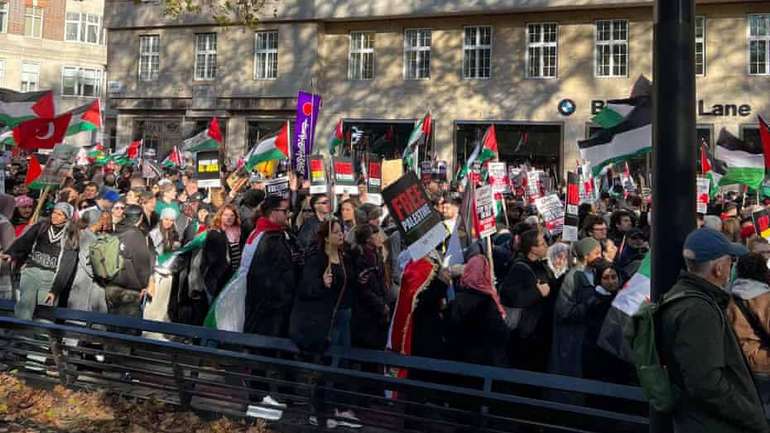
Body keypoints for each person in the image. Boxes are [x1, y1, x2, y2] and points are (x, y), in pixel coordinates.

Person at [658, 228, 768, 433]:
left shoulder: (683, 296)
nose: (731, 266)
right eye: (730, 261)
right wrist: (754, 418)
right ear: (718, 268)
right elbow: (707, 385)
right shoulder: (698, 310)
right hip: (711, 424)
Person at [3, 202, 80, 320]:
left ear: (67, 217)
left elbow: (67, 266)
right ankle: (21, 335)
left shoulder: (70, 236)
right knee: (25, 307)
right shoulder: (41, 227)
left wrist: (55, 290)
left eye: (60, 214)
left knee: (44, 314)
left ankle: (41, 336)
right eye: (54, 212)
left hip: (51, 277)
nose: (55, 216)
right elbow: (24, 242)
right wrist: (11, 254)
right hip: (32, 271)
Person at [500, 229, 554, 371]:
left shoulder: (541, 264)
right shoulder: (519, 267)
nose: (546, 246)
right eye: (542, 244)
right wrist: (537, 292)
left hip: (539, 329)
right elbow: (511, 297)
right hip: (527, 332)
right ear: (533, 249)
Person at [549, 237, 603, 378]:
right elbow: (564, 312)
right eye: (596, 253)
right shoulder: (573, 277)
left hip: (588, 335)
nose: (600, 257)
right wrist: (591, 302)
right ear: (586, 255)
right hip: (573, 337)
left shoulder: (597, 273)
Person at [244, 196, 297, 337]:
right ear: (273, 212)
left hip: (264, 306)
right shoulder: (270, 239)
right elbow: (269, 277)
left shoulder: (261, 232)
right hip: (270, 309)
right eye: (285, 211)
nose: (289, 214)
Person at [447, 253, 509, 367]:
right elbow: (499, 333)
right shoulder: (488, 300)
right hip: (486, 361)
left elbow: (453, 330)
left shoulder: (459, 299)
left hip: (463, 361)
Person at [106, 204, 154, 319]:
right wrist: (144, 284)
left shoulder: (115, 231)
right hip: (129, 288)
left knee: (112, 322)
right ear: (141, 217)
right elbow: (141, 264)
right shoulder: (137, 235)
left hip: (111, 284)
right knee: (129, 326)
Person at [728, 252, 770, 374]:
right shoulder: (764, 298)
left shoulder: (729, 297)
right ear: (764, 271)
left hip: (738, 362)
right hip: (762, 362)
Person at [351, 223, 389, 351]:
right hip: (365, 313)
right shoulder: (359, 258)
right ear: (368, 239)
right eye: (376, 235)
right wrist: (380, 305)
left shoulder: (377, 255)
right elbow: (364, 289)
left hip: (378, 311)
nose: (380, 238)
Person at [203, 204, 243, 301]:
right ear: (220, 216)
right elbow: (212, 260)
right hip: (218, 280)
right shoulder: (215, 234)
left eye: (232, 215)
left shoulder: (239, 232)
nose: (229, 218)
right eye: (225, 215)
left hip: (234, 277)